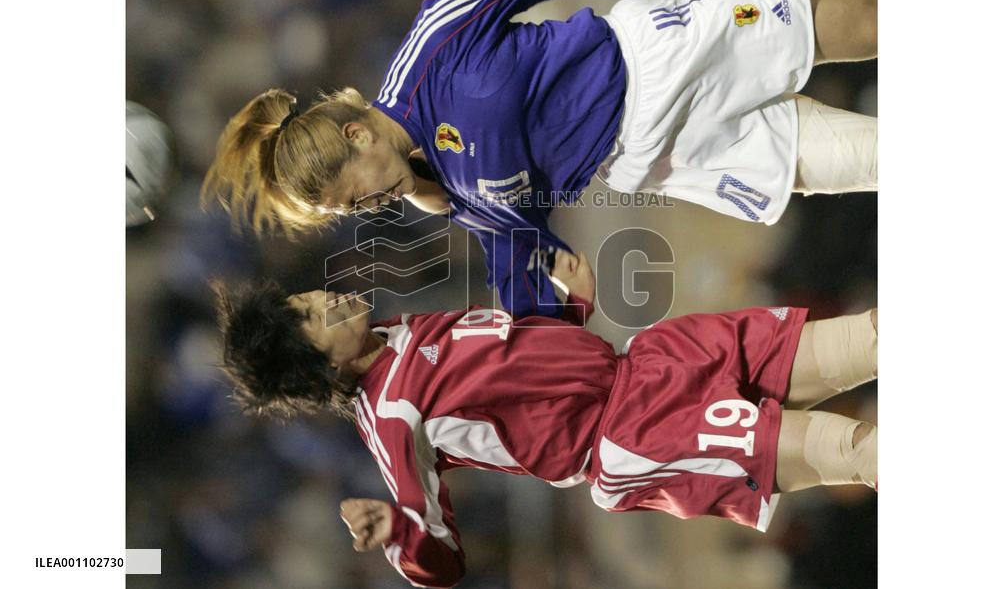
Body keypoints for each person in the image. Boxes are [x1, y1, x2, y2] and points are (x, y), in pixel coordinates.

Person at [202, 0, 876, 315]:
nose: (367, 212)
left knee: (875, 22)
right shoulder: (450, 198)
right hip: (667, 160)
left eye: (353, 197)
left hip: (664, 54)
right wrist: (562, 316)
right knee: (874, 162)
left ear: (356, 137)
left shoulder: (432, 44)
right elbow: (518, 260)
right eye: (352, 214)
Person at [213, 250, 877, 588]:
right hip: (634, 436)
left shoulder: (396, 329)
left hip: (652, 359)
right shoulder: (391, 416)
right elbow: (440, 563)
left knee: (869, 339)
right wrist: (395, 533)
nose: (324, 299)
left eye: (307, 296)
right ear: (314, 369)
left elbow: (522, 369)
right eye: (309, 317)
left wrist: (571, 310)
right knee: (854, 447)